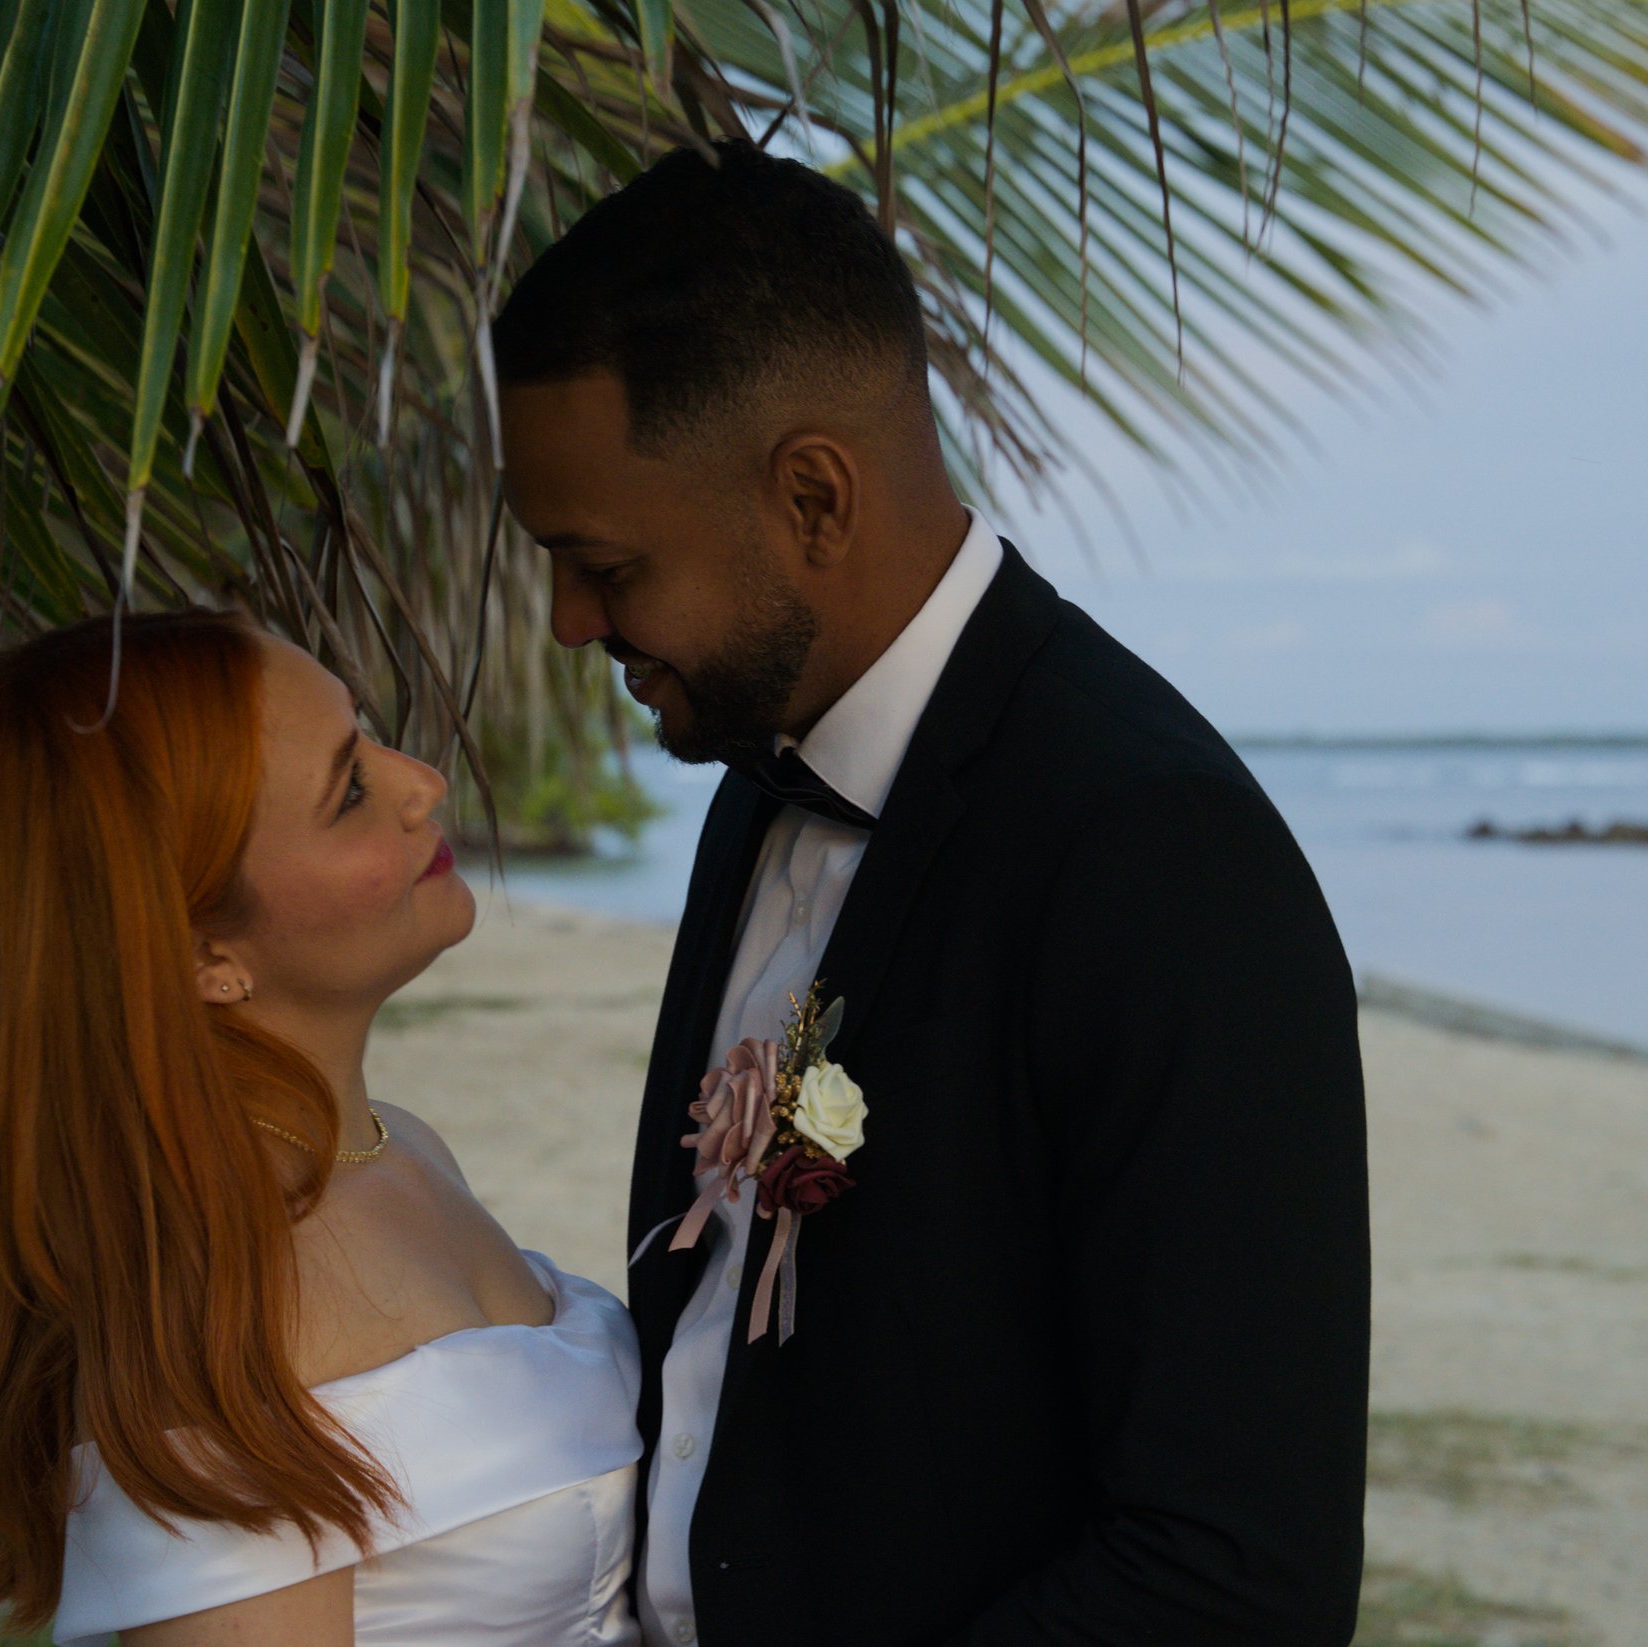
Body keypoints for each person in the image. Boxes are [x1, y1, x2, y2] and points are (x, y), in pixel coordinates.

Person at [493, 140, 1372, 1645]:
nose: (572, 620)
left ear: (814, 497)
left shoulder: (1156, 856)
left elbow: (1235, 1572)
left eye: (605, 563)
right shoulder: (754, 784)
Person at [0, 611, 644, 1647]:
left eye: (371, 732)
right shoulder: (216, 1295)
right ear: (203, 952)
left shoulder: (395, 1143)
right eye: (349, 792)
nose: (421, 781)